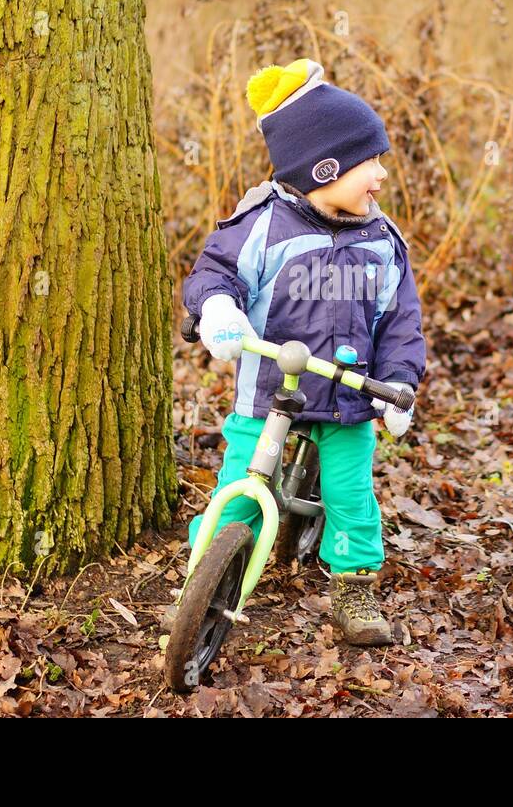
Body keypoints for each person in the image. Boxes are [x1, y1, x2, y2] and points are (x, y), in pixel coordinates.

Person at [179, 57, 427, 645]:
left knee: (348, 494)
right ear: (325, 167)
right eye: (369, 163)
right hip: (270, 393)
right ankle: (201, 582)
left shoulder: (382, 241)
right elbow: (215, 272)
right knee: (239, 488)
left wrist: (398, 382)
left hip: (348, 397)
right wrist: (217, 309)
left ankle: (354, 583)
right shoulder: (262, 225)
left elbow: (400, 319)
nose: (380, 177)